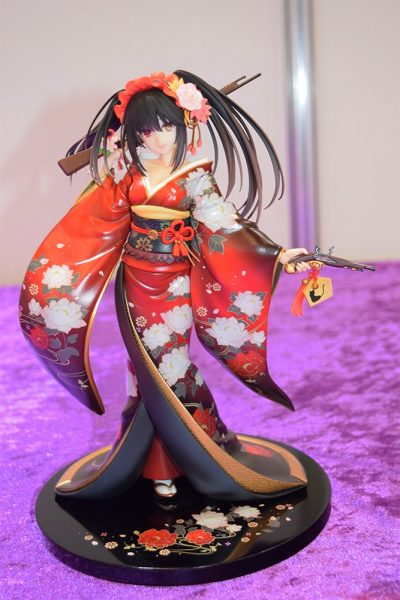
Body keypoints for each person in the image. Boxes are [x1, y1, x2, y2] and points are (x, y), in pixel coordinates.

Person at [19, 71, 312, 501]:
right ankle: (155, 463)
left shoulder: (195, 177)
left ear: (185, 123)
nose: (157, 139)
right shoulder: (128, 173)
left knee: (171, 366)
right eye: (146, 131)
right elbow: (97, 220)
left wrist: (278, 254)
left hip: (174, 283)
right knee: (140, 372)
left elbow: (223, 221)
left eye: (166, 127)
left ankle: (200, 449)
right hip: (133, 283)